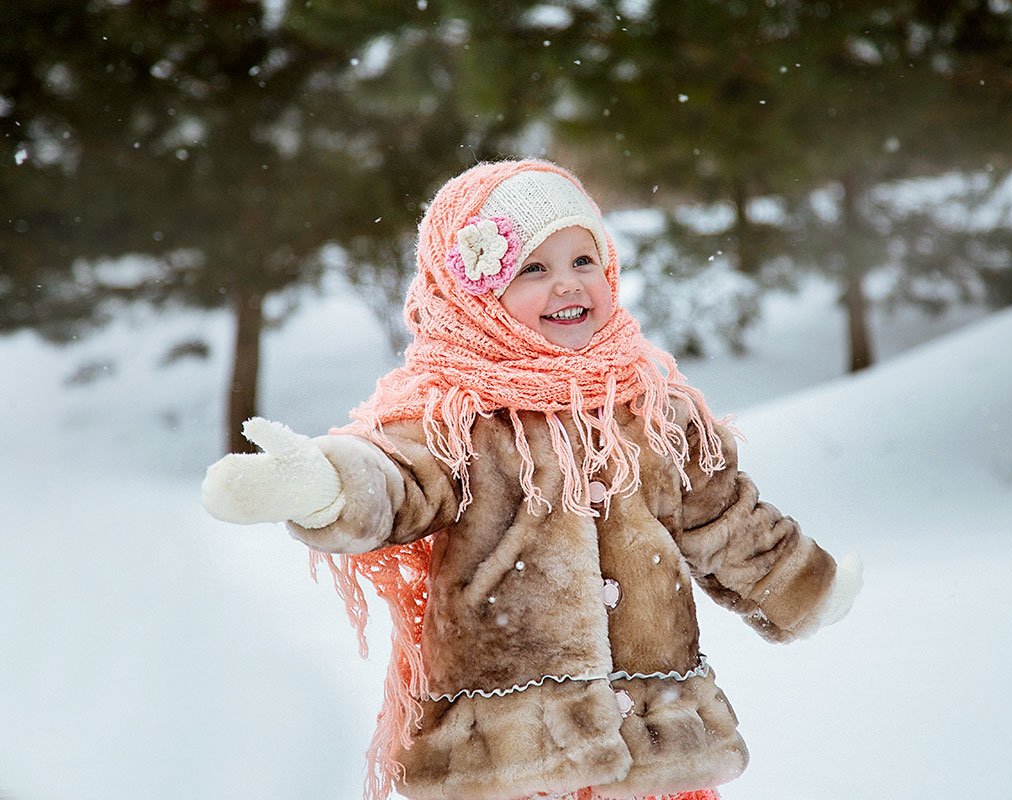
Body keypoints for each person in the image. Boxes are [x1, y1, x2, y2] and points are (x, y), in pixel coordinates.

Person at [201, 159, 863, 800]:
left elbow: (723, 520)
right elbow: (398, 478)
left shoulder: (650, 408)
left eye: (583, 261)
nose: (568, 285)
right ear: (475, 295)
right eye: (533, 270)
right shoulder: (459, 416)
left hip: (651, 731)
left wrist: (803, 587)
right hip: (512, 746)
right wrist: (325, 487)